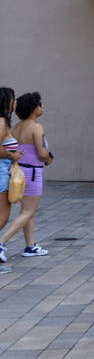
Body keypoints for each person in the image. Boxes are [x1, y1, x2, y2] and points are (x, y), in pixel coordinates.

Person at [0, 93, 52, 258]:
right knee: (28, 211)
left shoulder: (17, 126)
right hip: (33, 172)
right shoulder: (37, 127)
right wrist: (49, 159)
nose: (42, 107)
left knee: (27, 210)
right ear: (33, 109)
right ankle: (2, 243)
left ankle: (30, 246)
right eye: (39, 104)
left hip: (18, 171)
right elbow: (42, 153)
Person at [0, 88, 20, 269]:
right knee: (3, 216)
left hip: (3, 170)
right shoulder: (0, 122)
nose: (16, 103)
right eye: (13, 100)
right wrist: (12, 156)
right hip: (1, 170)